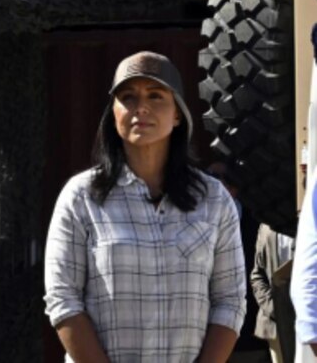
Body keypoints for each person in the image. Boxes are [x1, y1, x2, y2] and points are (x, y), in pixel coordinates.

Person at [43, 51, 246, 362]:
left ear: (177, 114)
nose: (141, 108)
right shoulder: (81, 197)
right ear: (113, 113)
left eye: (155, 95)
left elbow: (229, 300)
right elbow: (63, 300)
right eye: (128, 97)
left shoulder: (214, 200)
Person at [252, 223, 295, 363]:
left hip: (308, 320)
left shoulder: (309, 219)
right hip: (275, 324)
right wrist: (274, 307)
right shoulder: (265, 227)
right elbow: (257, 275)